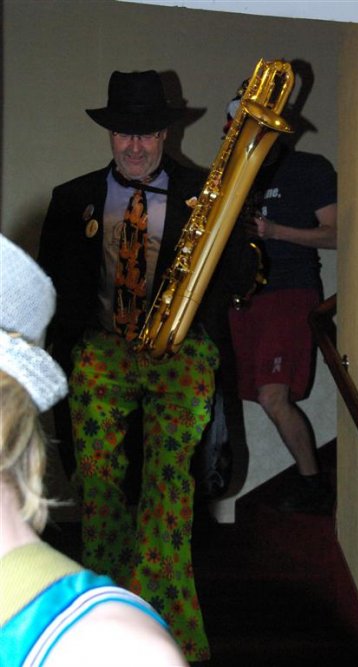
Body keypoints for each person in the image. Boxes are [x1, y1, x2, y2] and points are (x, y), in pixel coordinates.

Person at [37, 69, 256, 664]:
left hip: (181, 348)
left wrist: (230, 220)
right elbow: (54, 289)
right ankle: (106, 623)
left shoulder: (204, 192)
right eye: (123, 133)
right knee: (98, 484)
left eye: (147, 133)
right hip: (102, 347)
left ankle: (165, 632)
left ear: (165, 134)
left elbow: (238, 280)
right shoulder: (71, 198)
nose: (135, 146)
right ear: (110, 135)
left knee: (169, 486)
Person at [0, 233, 188, 667]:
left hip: (174, 356)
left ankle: (172, 608)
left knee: (165, 496)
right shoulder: (79, 205)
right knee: (100, 489)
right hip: (99, 352)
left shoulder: (105, 647)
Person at [227, 91, 338, 515]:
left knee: (274, 396)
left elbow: (338, 234)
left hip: (290, 291)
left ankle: (313, 484)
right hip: (241, 297)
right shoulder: (233, 176)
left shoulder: (310, 168)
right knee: (244, 395)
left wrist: (275, 232)